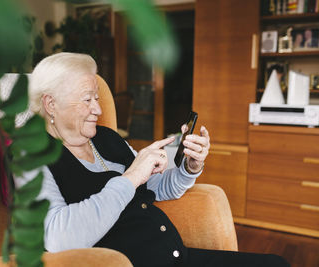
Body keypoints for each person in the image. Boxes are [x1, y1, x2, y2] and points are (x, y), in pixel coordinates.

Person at [16, 52, 290, 267]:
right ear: (51, 104)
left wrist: (188, 167)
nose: (98, 109)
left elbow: (157, 187)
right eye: (87, 100)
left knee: (276, 263)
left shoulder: (108, 138)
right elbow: (57, 236)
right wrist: (131, 178)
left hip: (176, 257)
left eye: (97, 98)